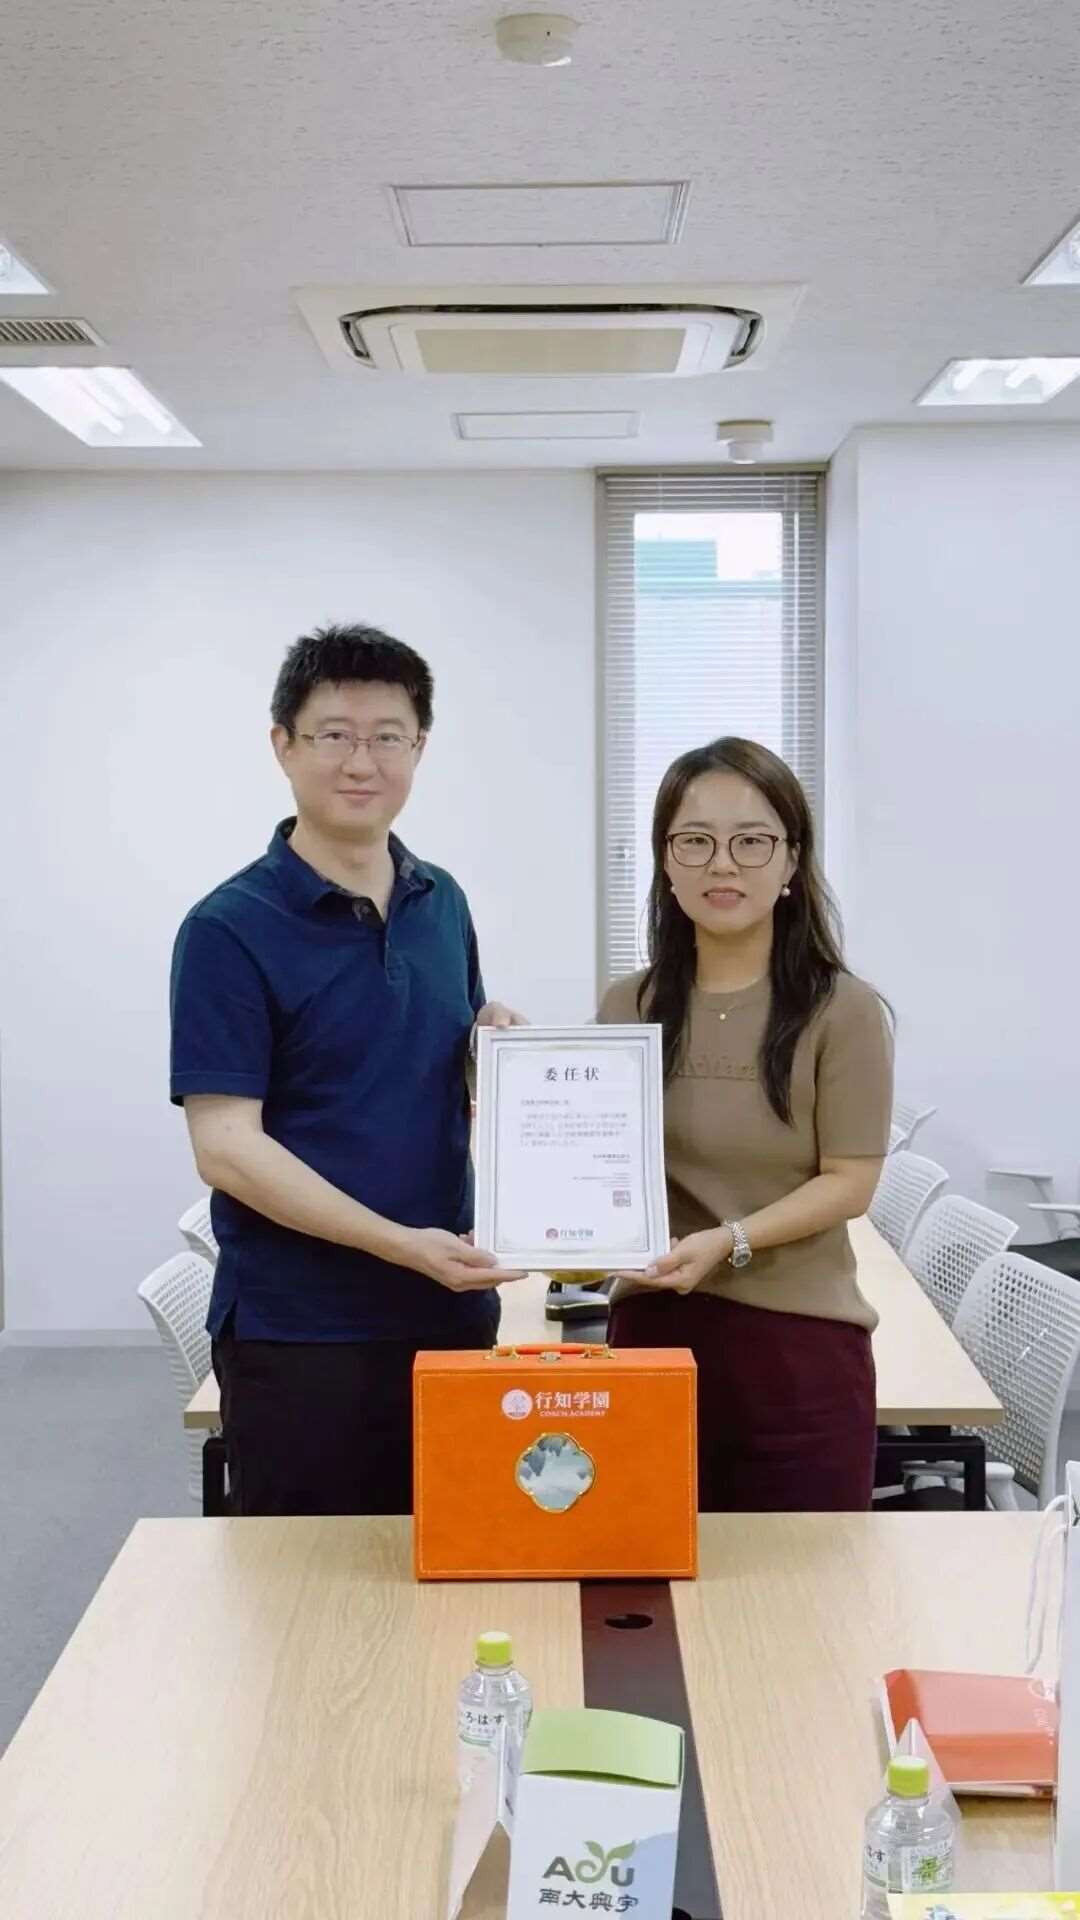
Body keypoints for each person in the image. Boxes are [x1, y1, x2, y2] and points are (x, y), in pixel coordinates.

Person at [169, 622, 525, 1516]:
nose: (362, 762)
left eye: (388, 737)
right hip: (303, 1335)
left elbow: (435, 1063)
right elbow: (226, 1147)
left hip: (449, 1312)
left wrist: (493, 1047)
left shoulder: (441, 900)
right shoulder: (226, 930)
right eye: (334, 734)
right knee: (312, 1587)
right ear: (283, 745)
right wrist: (401, 1245)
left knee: (459, 1557)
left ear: (420, 749)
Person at [598, 736, 893, 1512]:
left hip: (798, 1351)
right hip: (651, 1334)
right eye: (695, 841)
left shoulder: (845, 1010)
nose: (722, 864)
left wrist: (729, 1240)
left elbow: (852, 1182)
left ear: (792, 860)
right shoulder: (629, 1005)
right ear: (665, 862)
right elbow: (594, 1159)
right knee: (641, 1574)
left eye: (752, 841)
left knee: (800, 1583)